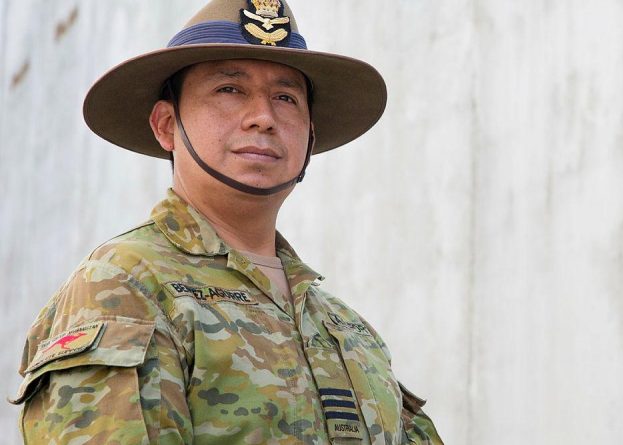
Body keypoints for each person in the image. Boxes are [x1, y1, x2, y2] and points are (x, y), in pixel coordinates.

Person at [10, 1, 442, 444]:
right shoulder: (124, 285)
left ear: (310, 135)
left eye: (285, 98)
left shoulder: (344, 327)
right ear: (166, 124)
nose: (264, 118)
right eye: (230, 90)